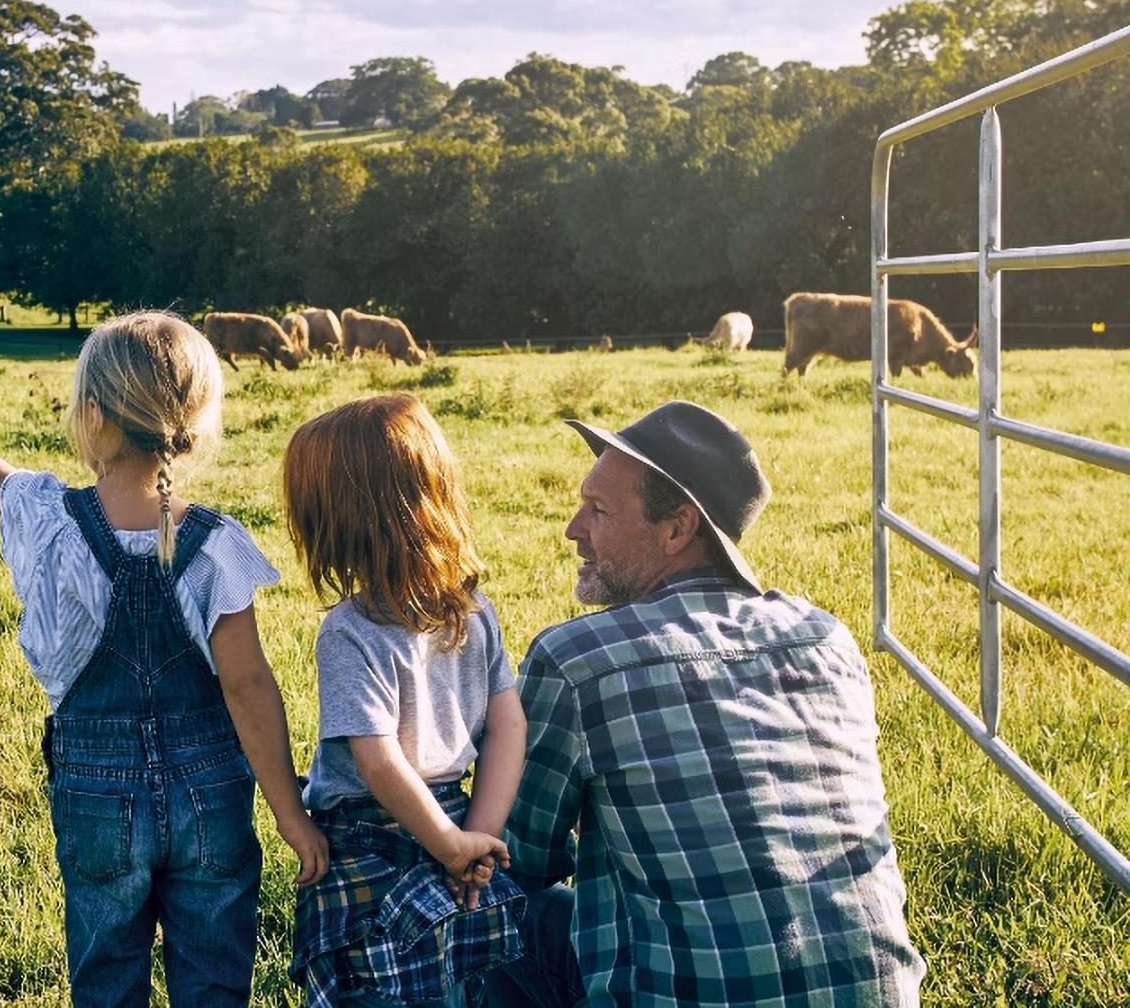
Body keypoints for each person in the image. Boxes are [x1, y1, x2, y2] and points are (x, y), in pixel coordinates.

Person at [0, 310, 328, 1007]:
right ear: (193, 420)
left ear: (93, 416)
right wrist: (289, 812)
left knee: (105, 975)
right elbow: (249, 687)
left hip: (96, 797)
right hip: (213, 800)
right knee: (217, 978)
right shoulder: (217, 544)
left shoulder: (48, 521)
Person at [489, 400, 926, 1007]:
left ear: (677, 529)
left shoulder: (579, 659)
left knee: (492, 920)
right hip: (878, 995)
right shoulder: (826, 639)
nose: (573, 529)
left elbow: (512, 859)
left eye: (599, 510)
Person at [282, 394, 529, 1008]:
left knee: (376, 987)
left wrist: (450, 845)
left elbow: (379, 762)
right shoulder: (476, 611)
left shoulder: (349, 629)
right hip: (457, 819)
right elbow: (508, 729)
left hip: (371, 839)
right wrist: (478, 838)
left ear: (337, 523)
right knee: (450, 981)